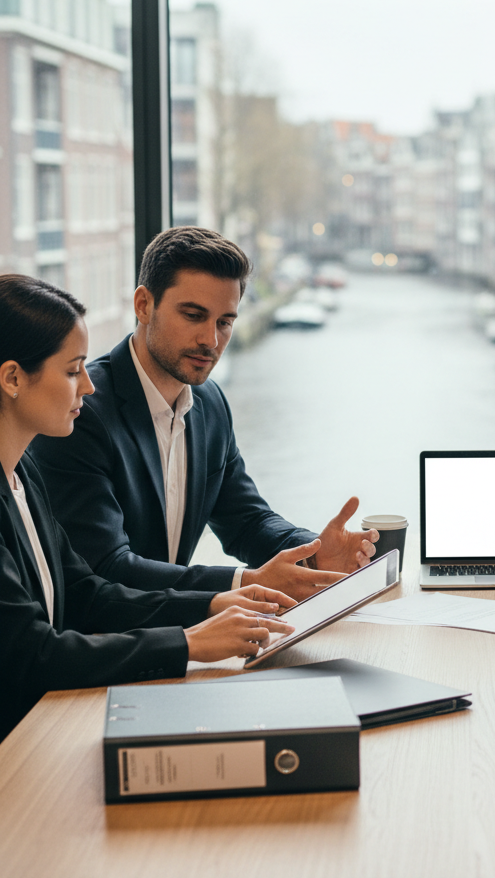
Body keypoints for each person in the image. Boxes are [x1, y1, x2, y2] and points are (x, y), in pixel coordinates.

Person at [0, 275, 296, 741]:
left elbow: (86, 592)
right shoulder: (56, 451)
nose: (89, 387)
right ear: (13, 378)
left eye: (225, 320)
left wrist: (216, 604)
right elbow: (32, 652)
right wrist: (189, 642)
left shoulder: (22, 475)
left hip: (43, 723)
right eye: (74, 370)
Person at [31, 227, 376, 601]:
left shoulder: (210, 403)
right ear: (144, 305)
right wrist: (244, 584)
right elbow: (107, 568)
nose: (211, 340)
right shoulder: (80, 413)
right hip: (104, 644)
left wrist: (312, 550)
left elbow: (246, 520)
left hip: (175, 631)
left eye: (225, 322)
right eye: (194, 315)